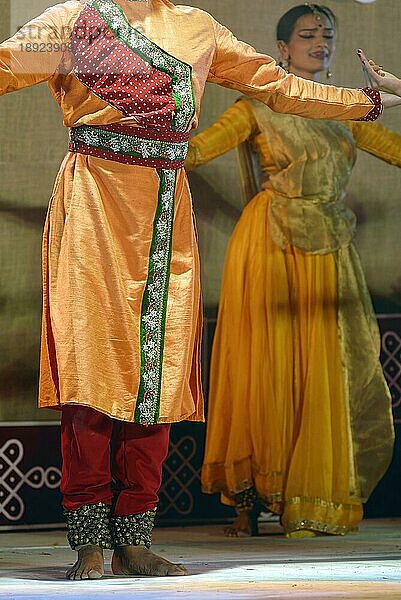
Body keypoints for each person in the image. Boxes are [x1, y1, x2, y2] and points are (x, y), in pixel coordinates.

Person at [0, 0, 398, 581]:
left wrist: (367, 101)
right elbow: (7, 65)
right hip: (97, 202)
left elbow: (277, 86)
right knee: (93, 367)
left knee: (157, 372)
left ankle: (135, 536)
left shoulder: (195, 26)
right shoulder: (74, 21)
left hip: (167, 205)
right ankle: (88, 539)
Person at [186, 4, 401, 538]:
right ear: (282, 49)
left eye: (326, 35)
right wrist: (137, 120)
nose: (319, 43)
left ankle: (312, 499)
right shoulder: (257, 106)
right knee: (272, 368)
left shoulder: (346, 110)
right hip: (271, 246)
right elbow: (194, 151)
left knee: (324, 370)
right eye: (307, 36)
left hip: (329, 247)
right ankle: (253, 498)